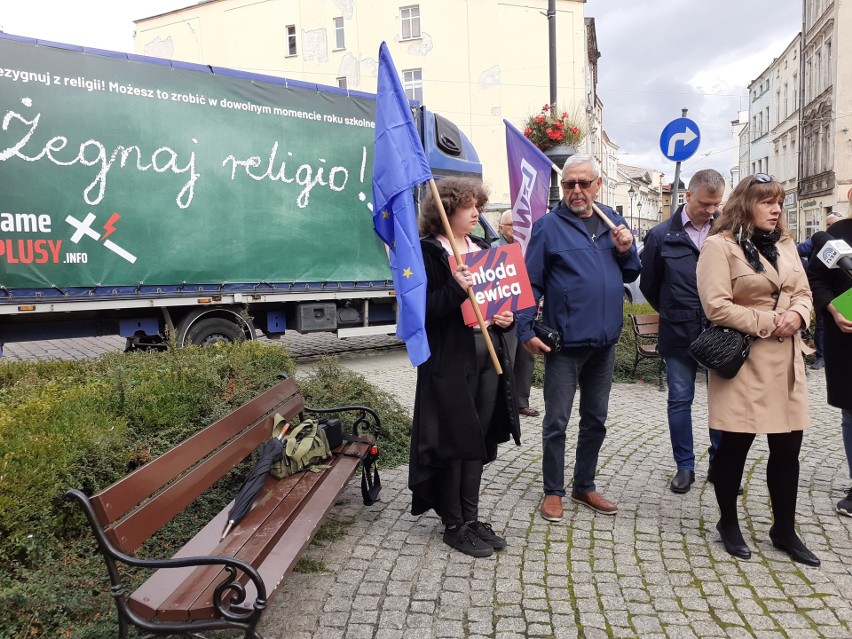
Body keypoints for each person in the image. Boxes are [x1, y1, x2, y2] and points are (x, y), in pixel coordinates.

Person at [696, 173, 818, 566]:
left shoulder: (784, 244)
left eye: (778, 201)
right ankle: (728, 522)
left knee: (788, 449)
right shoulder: (719, 246)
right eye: (767, 202)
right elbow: (716, 306)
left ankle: (783, 529)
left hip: (787, 361)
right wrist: (771, 322)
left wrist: (798, 315)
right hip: (744, 360)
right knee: (735, 446)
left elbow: (803, 292)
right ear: (745, 205)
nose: (776, 208)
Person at [516, 154, 640, 522]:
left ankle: (583, 485)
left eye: (584, 183)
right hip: (565, 346)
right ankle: (552, 490)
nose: (576, 190)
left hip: (604, 344)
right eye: (569, 183)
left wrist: (626, 248)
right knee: (556, 421)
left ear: (598, 185)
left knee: (595, 419)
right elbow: (530, 283)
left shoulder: (612, 222)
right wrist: (524, 330)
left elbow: (632, 270)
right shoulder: (548, 227)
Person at [409, 177, 521, 558]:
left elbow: (501, 303)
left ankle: (471, 518)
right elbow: (423, 312)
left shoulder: (484, 250)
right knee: (456, 439)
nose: (477, 213)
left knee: (478, 436)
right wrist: (457, 286)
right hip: (449, 360)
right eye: (469, 207)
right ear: (447, 210)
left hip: (487, 354)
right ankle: (453, 523)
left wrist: (507, 318)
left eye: (479, 206)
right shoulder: (428, 254)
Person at [640, 169, 725, 494]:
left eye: (716, 204)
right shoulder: (662, 235)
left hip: (720, 332)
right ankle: (685, 467)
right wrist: (675, 310)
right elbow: (649, 285)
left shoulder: (726, 233)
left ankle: (720, 465)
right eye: (706, 203)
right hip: (679, 332)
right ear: (688, 197)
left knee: (722, 401)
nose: (711, 210)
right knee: (679, 400)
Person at [807, 210, 852, 517]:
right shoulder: (837, 236)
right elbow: (815, 278)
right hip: (846, 338)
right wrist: (833, 309)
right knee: (851, 413)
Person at [492, 210, 539, 418]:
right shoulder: (494, 248)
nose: (514, 229)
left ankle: (521, 402)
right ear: (501, 227)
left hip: (525, 312)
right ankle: (502, 402)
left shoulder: (528, 247)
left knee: (525, 358)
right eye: (510, 225)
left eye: (517, 225)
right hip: (505, 313)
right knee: (507, 357)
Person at [800, 212, 845, 369]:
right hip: (825, 294)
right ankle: (821, 356)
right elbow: (816, 278)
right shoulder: (828, 237)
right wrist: (833, 309)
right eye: (829, 224)